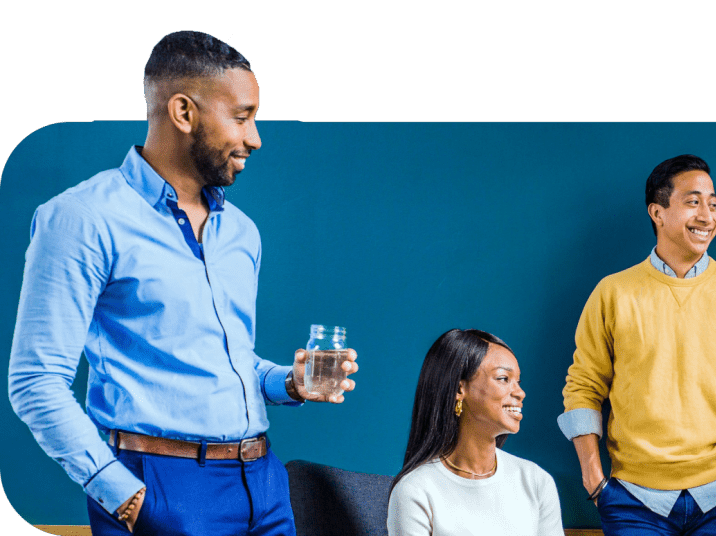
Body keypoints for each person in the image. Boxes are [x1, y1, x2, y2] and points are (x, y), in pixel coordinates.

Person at [7, 31, 359, 535]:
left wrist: (287, 382)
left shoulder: (241, 232)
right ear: (183, 112)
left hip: (263, 483)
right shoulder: (82, 218)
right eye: (242, 117)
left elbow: (224, 361)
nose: (255, 138)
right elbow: (35, 381)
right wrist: (126, 498)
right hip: (161, 487)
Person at [558, 154, 716, 535]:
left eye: (712, 204)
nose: (707, 216)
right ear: (657, 212)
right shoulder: (612, 293)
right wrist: (593, 478)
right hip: (632, 499)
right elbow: (583, 386)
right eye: (693, 202)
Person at [388, 329, 563, 536]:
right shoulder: (415, 490)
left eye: (518, 382)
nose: (520, 393)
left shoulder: (536, 482)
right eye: (503, 378)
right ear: (459, 389)